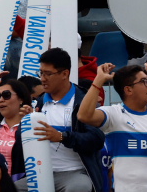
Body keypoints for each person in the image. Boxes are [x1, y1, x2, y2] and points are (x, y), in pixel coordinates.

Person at [77, 62, 147, 192]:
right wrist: (98, 80)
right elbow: (83, 116)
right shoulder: (114, 114)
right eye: (144, 82)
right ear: (128, 90)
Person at [32, 48, 105, 192]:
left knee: (79, 188)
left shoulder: (83, 101)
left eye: (48, 74)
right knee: (12, 187)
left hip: (75, 172)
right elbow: (22, 141)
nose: (42, 79)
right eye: (41, 73)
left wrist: (62, 137)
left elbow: (96, 139)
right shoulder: (39, 102)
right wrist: (25, 123)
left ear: (65, 74)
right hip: (41, 172)